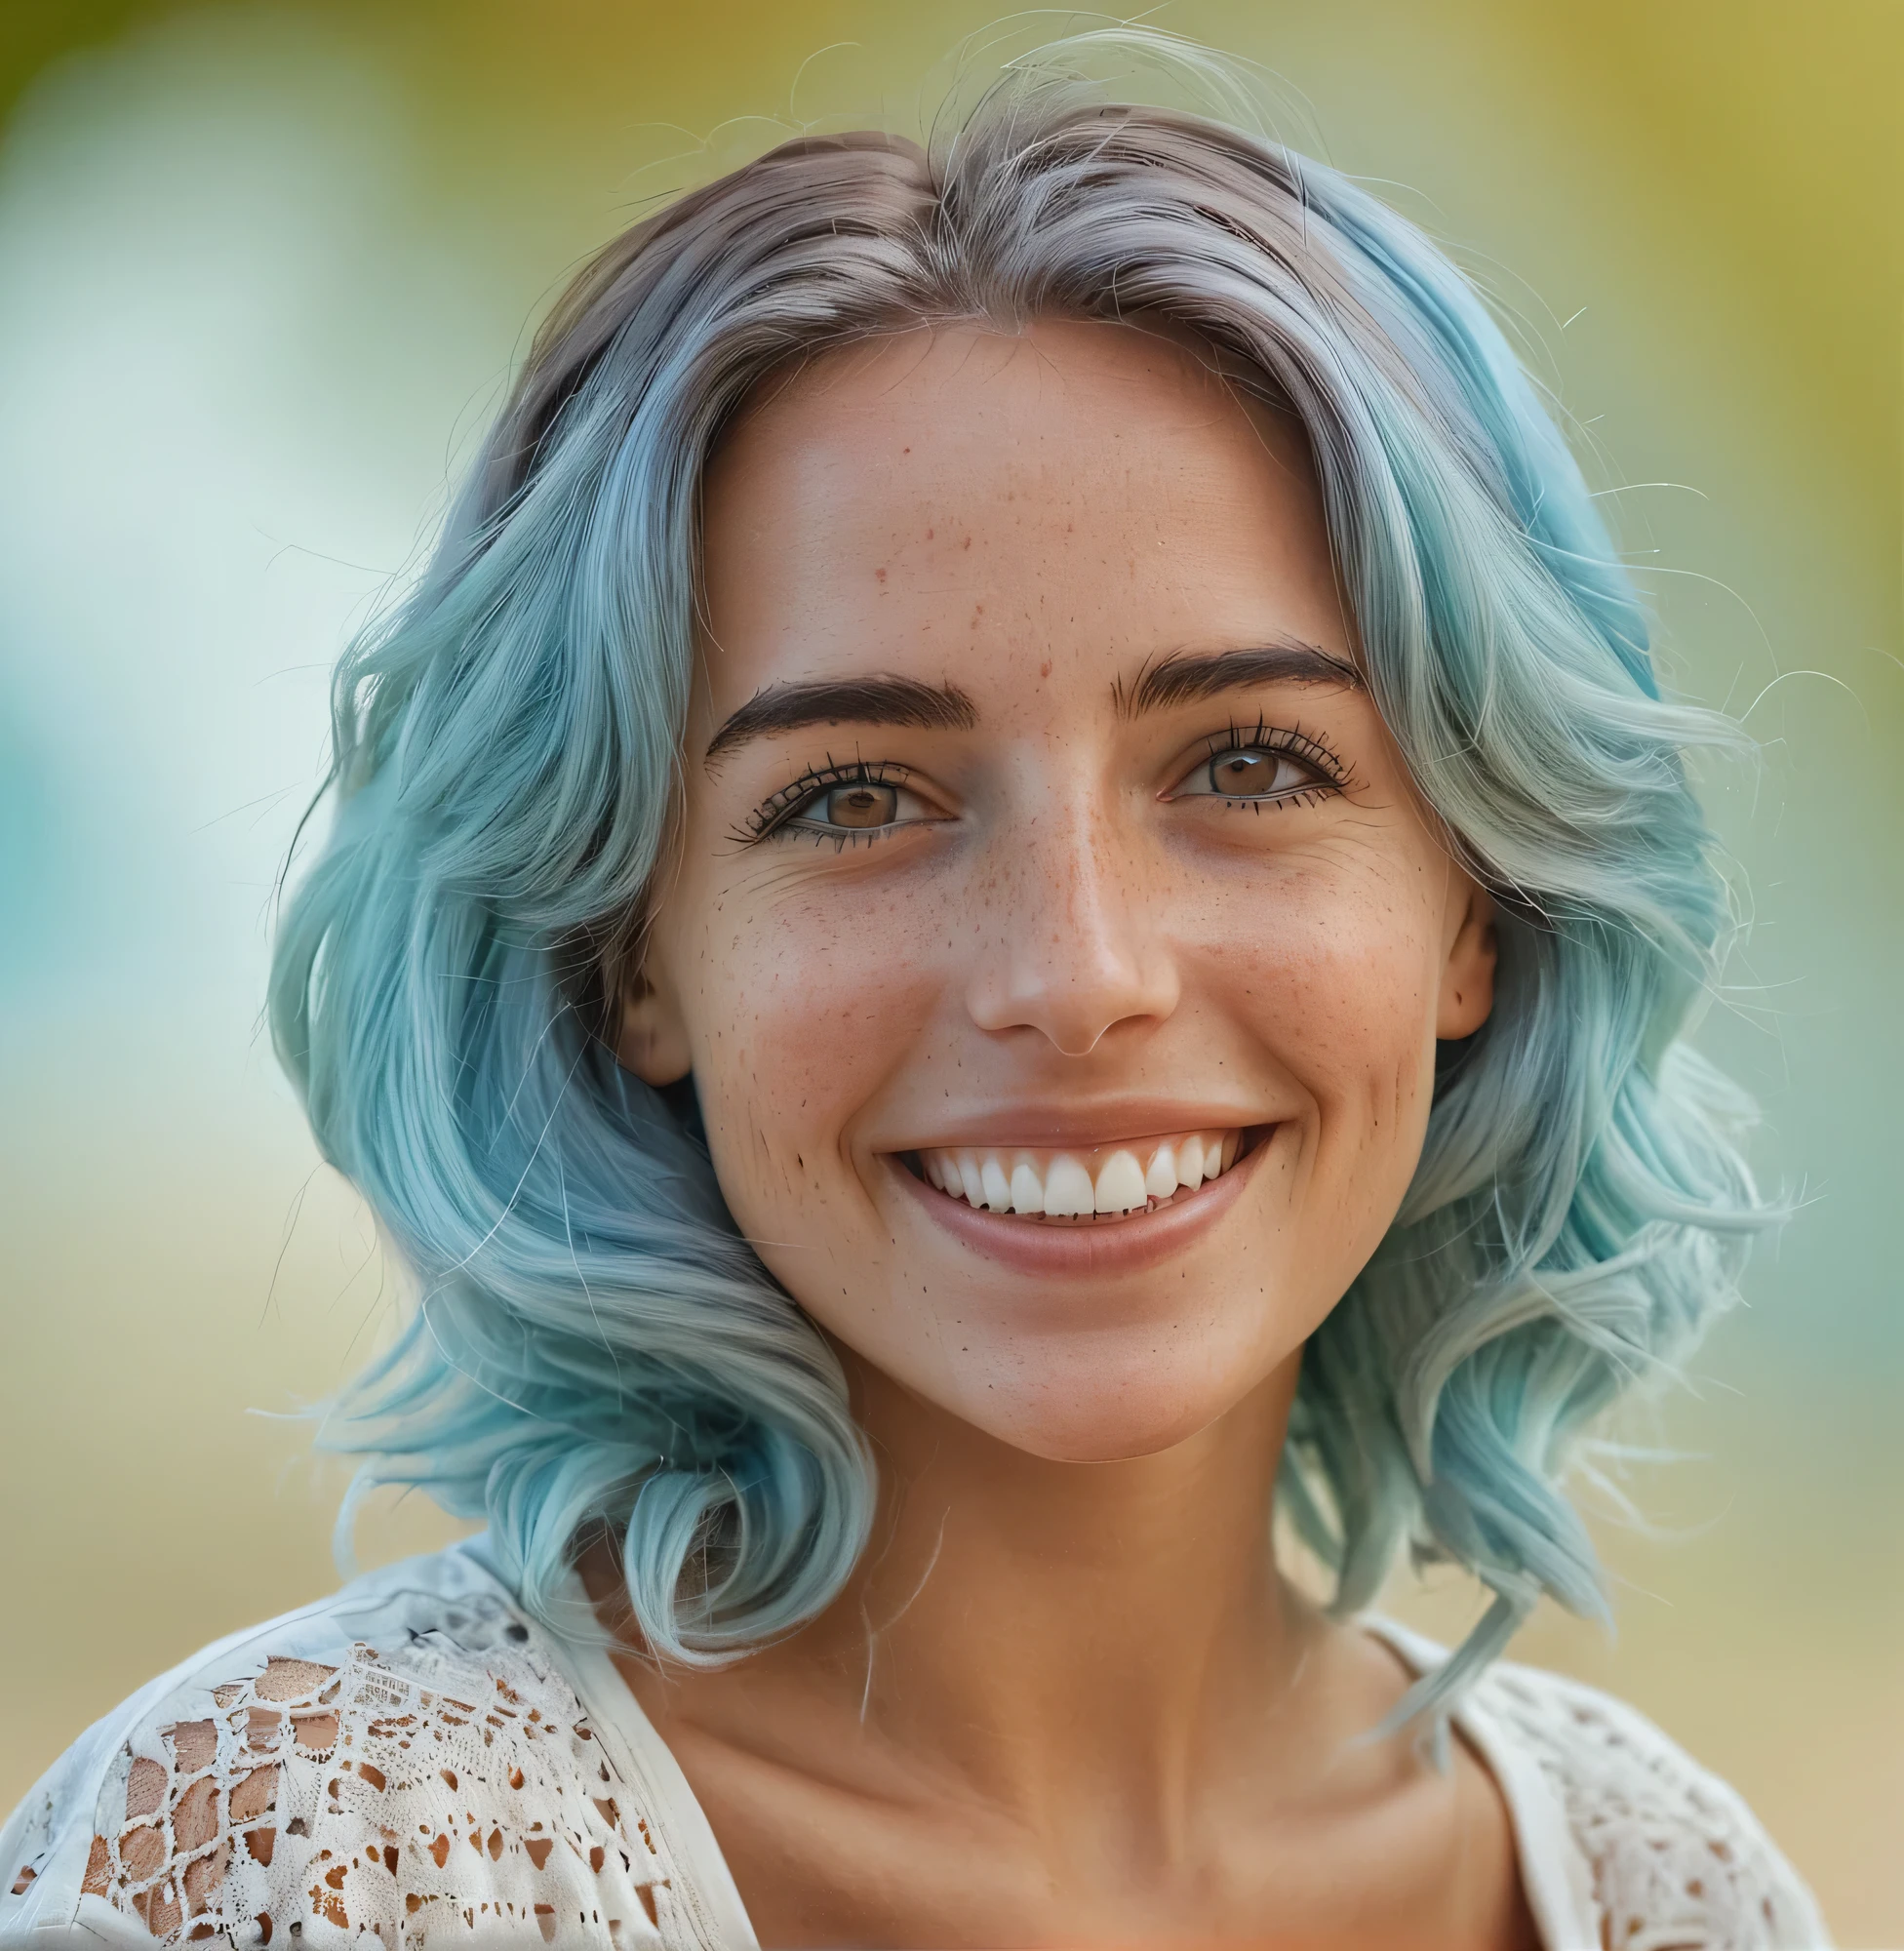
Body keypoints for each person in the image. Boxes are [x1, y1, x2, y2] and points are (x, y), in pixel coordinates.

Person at [0, 35, 1827, 1950]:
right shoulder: (296, 1868)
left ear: (1475, 906)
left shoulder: (1653, 1894)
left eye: (1250, 766)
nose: (1078, 974)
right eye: (856, 796)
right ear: (630, 958)